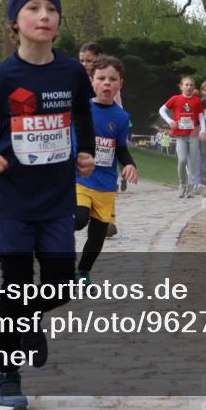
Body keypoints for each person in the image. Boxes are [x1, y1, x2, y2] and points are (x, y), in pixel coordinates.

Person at [0, 0, 95, 410]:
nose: (44, 16)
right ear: (14, 22)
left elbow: (81, 114)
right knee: (15, 287)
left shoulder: (71, 72)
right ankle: (4, 375)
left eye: (51, 9)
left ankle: (30, 318)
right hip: (13, 200)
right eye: (33, 8)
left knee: (59, 288)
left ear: (58, 23)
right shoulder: (3, 77)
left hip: (56, 200)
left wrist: (86, 150)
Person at [74, 55, 138, 281]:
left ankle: (83, 272)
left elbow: (120, 148)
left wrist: (129, 163)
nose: (107, 83)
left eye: (113, 79)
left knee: (99, 233)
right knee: (79, 219)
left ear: (120, 84)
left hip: (105, 183)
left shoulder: (121, 117)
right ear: (91, 81)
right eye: (101, 78)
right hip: (80, 178)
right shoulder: (80, 109)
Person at [159, 77, 206, 198]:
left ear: (194, 88)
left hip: (193, 135)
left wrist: (203, 131)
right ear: (181, 87)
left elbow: (201, 117)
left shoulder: (197, 101)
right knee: (182, 160)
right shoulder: (175, 99)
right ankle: (182, 185)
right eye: (186, 85)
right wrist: (170, 121)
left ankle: (190, 189)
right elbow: (162, 110)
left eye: (191, 85)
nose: (189, 87)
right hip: (180, 136)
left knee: (193, 163)